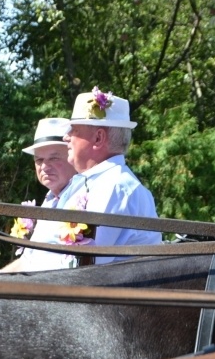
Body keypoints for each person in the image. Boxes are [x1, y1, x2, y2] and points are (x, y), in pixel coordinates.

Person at [57, 86, 161, 264]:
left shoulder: (114, 186)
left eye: (73, 130)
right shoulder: (100, 182)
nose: (66, 138)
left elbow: (78, 266)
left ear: (98, 138)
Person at [0, 117, 78, 272]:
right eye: (39, 160)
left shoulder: (82, 198)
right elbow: (28, 260)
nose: (44, 166)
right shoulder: (50, 201)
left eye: (54, 158)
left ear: (71, 156)